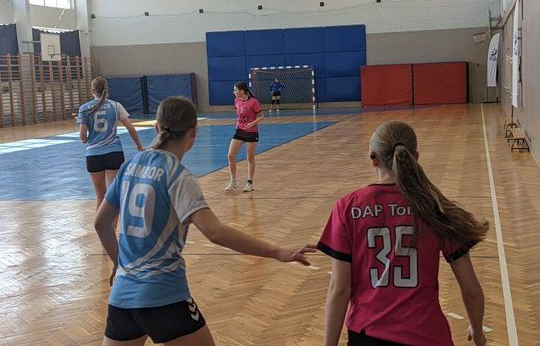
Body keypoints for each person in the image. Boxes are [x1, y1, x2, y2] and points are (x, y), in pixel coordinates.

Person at [94, 96, 315, 346]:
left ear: (157, 127)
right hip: (164, 295)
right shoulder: (178, 176)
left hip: (122, 297)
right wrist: (277, 252)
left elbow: (101, 224)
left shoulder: (129, 166)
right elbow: (215, 232)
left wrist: (119, 264)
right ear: (193, 132)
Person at [318, 120, 489, 346]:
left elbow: (339, 289)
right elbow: (471, 289)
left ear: (373, 158)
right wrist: (477, 330)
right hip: (427, 336)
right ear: (415, 157)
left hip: (368, 335)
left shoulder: (348, 207)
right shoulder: (435, 208)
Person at [78, 77, 144, 211]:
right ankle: (114, 224)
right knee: (114, 195)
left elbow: (82, 136)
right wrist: (139, 145)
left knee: (100, 196)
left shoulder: (84, 108)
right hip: (114, 153)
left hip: (93, 155)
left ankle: (100, 224)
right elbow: (131, 129)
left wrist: (88, 139)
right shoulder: (116, 106)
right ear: (107, 89)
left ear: (92, 90)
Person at [225, 82, 263, 192]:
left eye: (235, 90)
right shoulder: (236, 101)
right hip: (239, 131)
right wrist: (238, 123)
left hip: (251, 132)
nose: (234, 92)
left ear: (242, 91)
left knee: (250, 158)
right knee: (231, 156)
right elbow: (240, 114)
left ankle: (249, 183)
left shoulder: (254, 102)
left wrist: (252, 124)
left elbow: (261, 116)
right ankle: (233, 181)